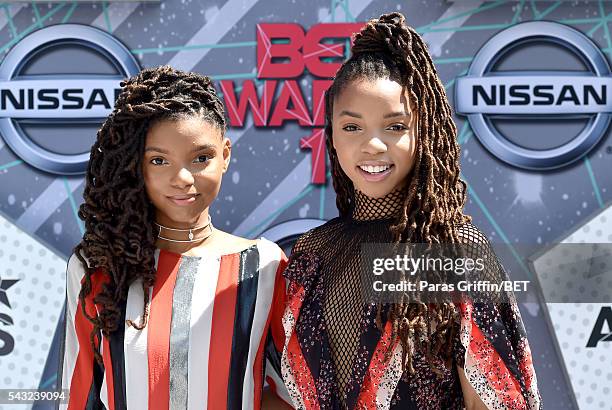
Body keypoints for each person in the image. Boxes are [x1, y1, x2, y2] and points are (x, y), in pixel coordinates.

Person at [279, 13, 542, 410]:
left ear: (424, 131)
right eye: (352, 128)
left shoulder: (454, 252)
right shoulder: (312, 253)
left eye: (395, 126)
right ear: (330, 135)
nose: (373, 146)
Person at [57, 66, 291, 409]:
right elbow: (78, 396)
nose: (182, 178)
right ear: (137, 165)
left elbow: (294, 394)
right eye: (159, 160)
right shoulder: (97, 266)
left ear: (225, 155)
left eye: (200, 158)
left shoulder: (264, 266)